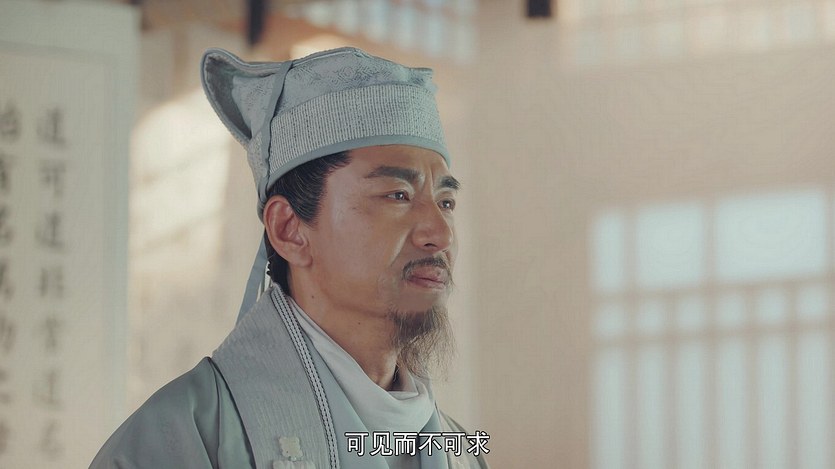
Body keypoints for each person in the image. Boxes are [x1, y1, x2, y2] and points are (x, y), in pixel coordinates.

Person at [90, 47, 490, 468]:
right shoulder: (183, 438)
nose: (440, 235)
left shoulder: (460, 451)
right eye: (398, 195)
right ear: (288, 229)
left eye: (446, 202)